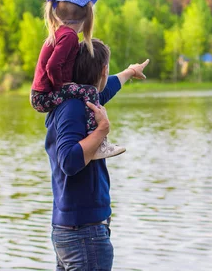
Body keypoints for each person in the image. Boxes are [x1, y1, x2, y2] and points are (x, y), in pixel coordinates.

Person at [46, 39, 148, 270]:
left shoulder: (77, 99)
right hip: (84, 233)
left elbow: (107, 87)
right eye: (107, 69)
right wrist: (102, 130)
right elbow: (69, 161)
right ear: (103, 70)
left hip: (74, 231)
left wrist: (130, 72)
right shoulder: (73, 108)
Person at [31, 0, 125, 159]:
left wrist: (129, 72)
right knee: (90, 91)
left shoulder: (59, 33)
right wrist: (62, 86)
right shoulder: (70, 36)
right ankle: (97, 143)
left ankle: (96, 140)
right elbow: (52, 66)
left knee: (83, 91)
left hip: (39, 95)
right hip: (42, 97)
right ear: (87, 17)